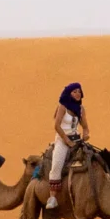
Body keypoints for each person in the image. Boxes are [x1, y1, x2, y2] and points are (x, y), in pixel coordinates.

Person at [46, 82, 87, 210]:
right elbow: (57, 126)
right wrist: (67, 141)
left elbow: (85, 127)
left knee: (93, 158)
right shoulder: (62, 107)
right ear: (69, 94)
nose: (77, 93)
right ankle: (52, 197)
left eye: (79, 91)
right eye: (74, 91)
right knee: (57, 164)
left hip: (76, 139)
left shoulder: (81, 109)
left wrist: (85, 135)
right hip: (62, 139)